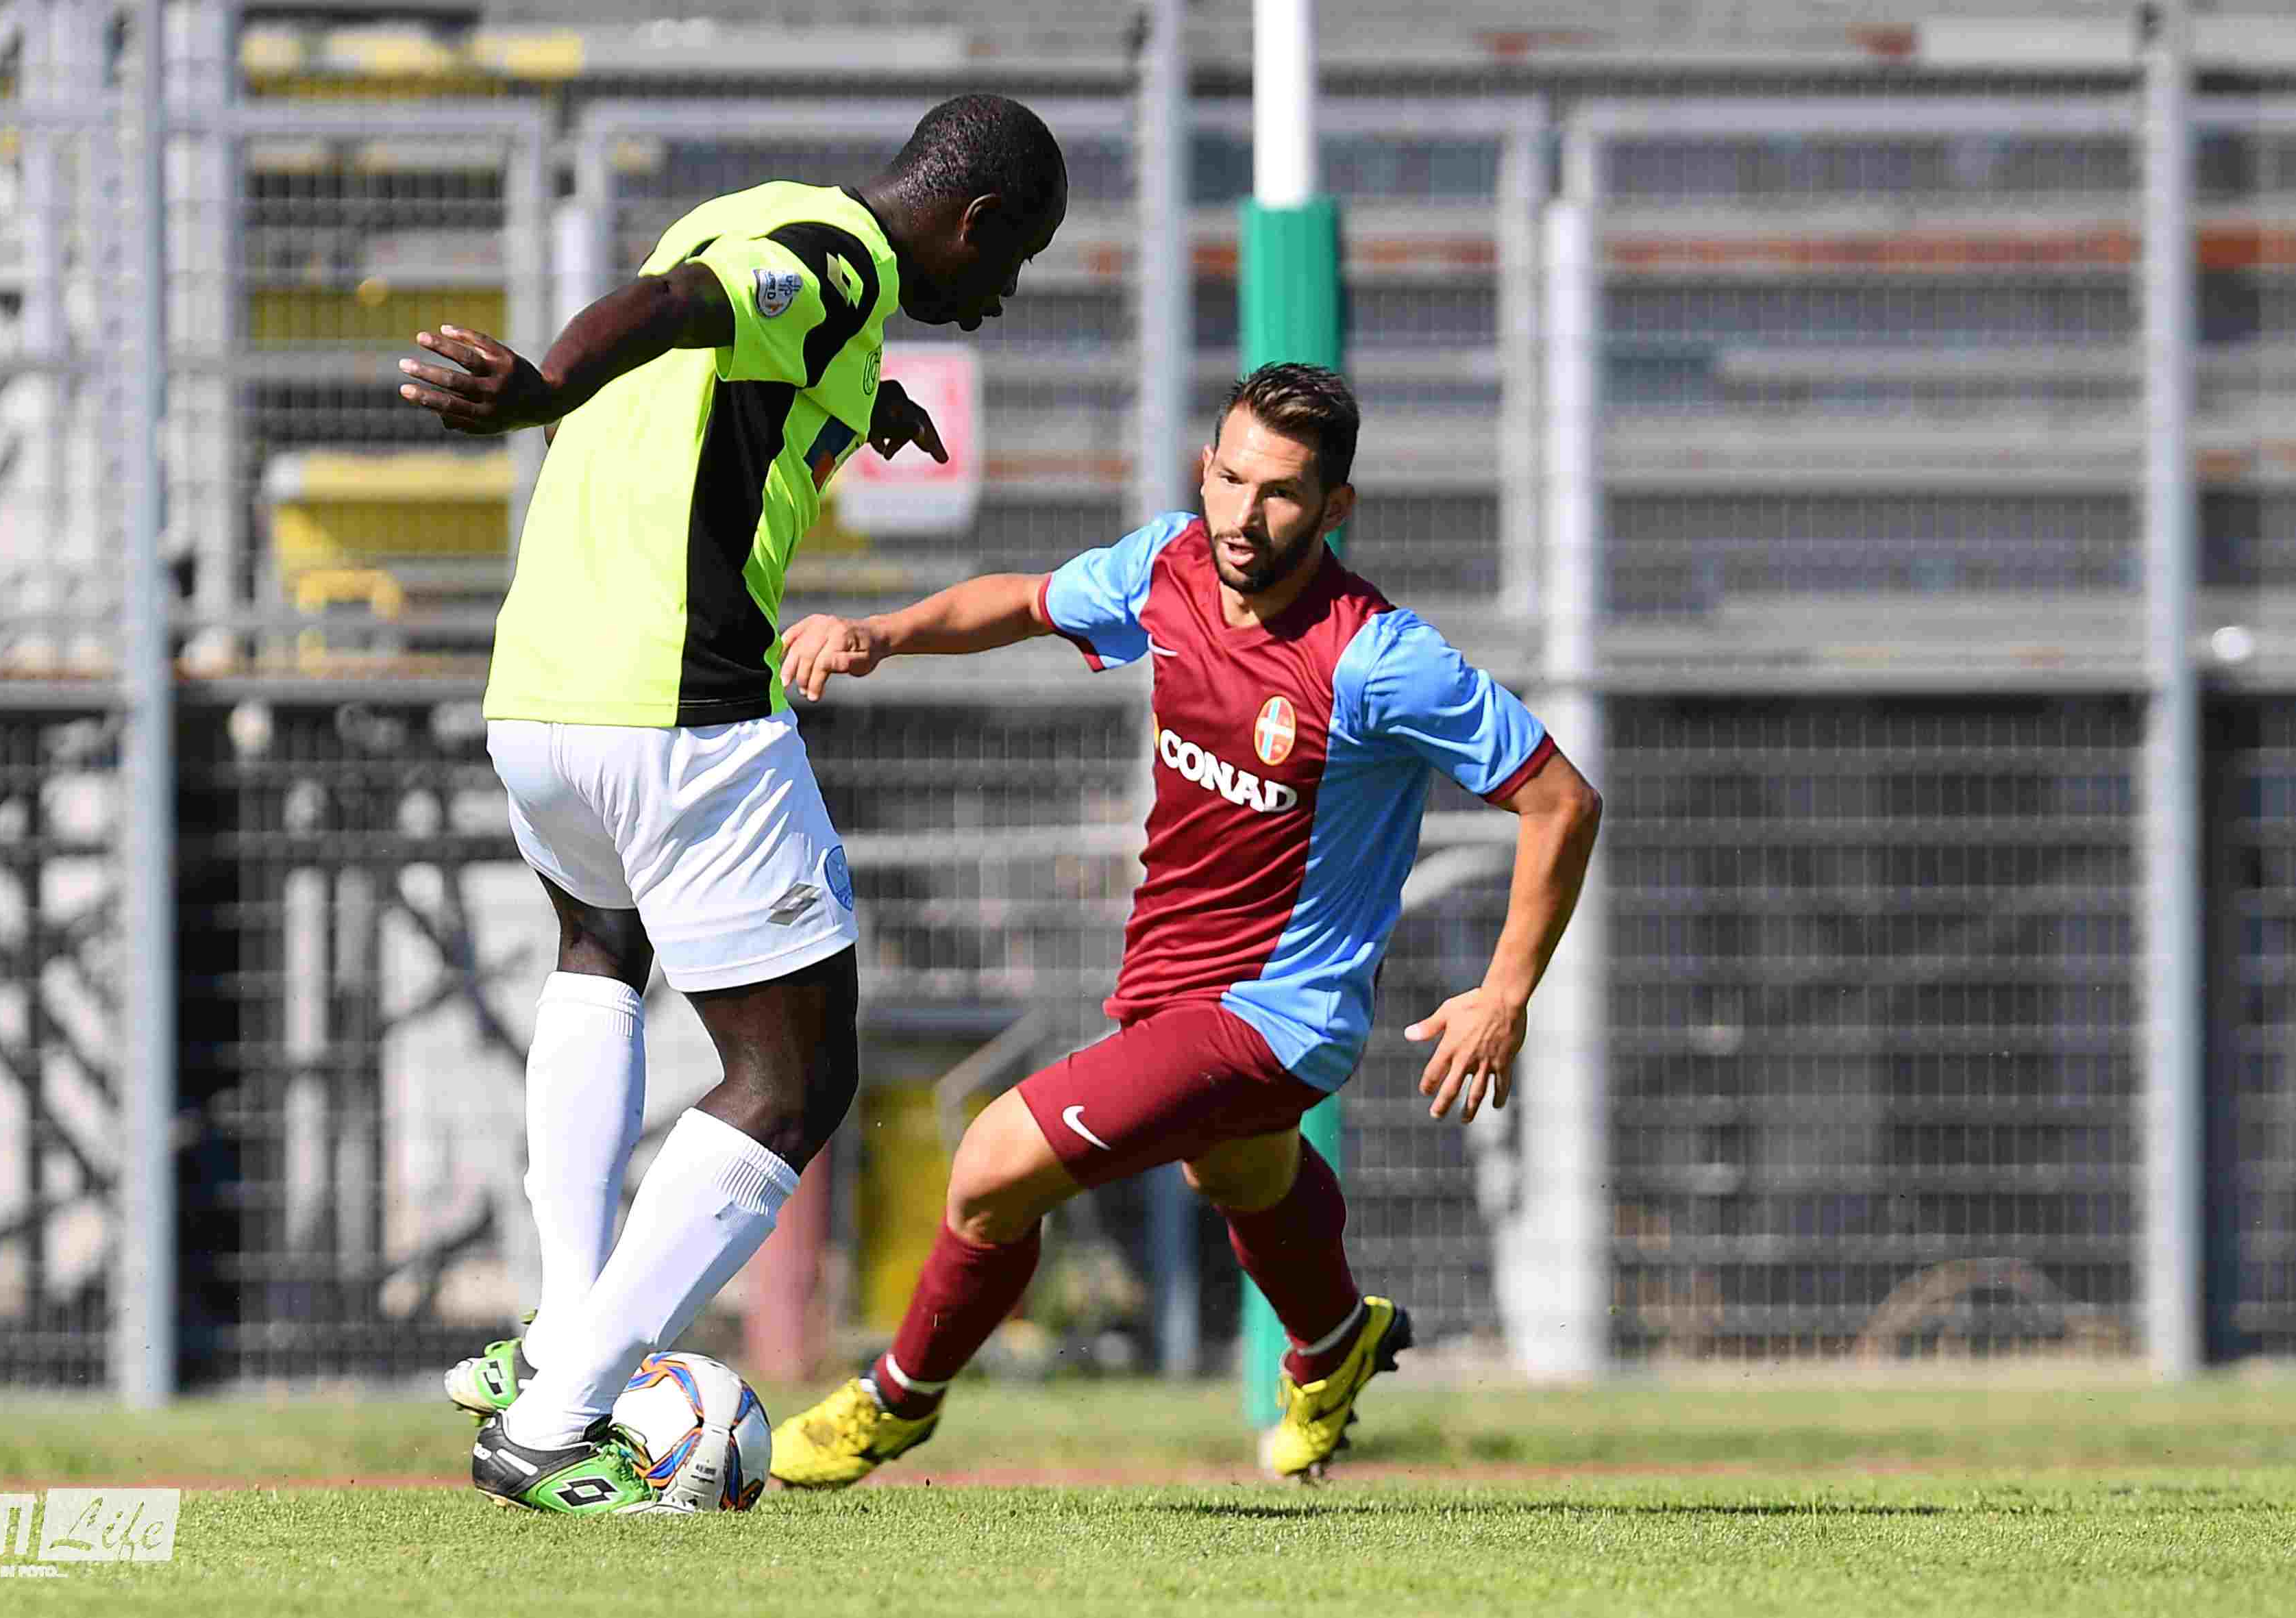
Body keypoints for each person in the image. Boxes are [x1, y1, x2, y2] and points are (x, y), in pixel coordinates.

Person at [393, 93, 1068, 1515]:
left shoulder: (760, 212)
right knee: (792, 1077)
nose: (1002, 297)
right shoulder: (835, 261)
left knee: (601, 954)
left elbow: (714, 344)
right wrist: (541, 388)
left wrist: (855, 402)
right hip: (678, 704)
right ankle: (561, 1414)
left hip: (541, 690)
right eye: (1012, 262)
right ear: (974, 220)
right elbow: (682, 308)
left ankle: (553, 1339)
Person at [765, 362, 1602, 1486]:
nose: (1246, 514)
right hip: (1171, 978)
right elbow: (1024, 601)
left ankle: (892, 1401)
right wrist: (882, 632)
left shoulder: (1378, 658)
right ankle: (1334, 1342)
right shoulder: (1167, 565)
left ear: (1335, 508)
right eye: (1232, 478)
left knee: (994, 1163)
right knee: (1240, 1173)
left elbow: (1561, 801)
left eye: (1282, 493)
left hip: (1278, 1011)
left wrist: (1503, 993)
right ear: (1204, 469)